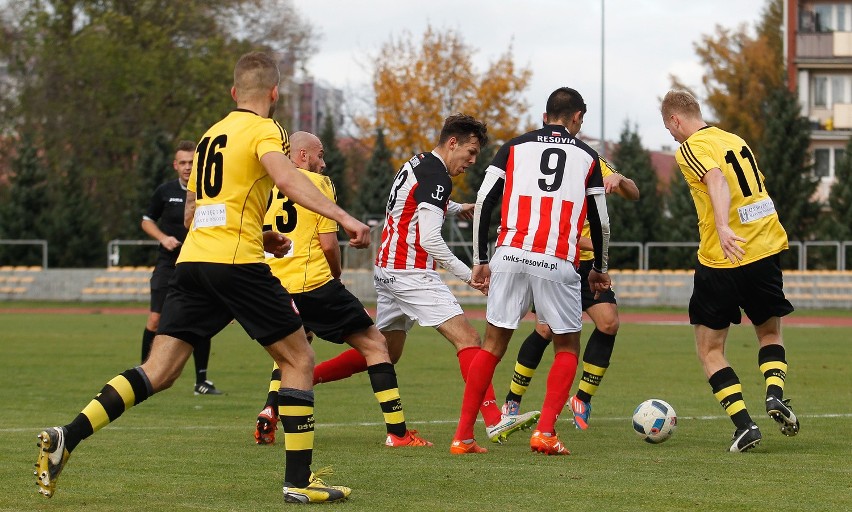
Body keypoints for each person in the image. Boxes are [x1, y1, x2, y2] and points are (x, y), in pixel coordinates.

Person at [34, 51, 371, 503]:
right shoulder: (267, 130)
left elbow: (194, 213)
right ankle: (299, 482)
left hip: (193, 263)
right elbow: (289, 179)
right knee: (299, 361)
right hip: (235, 263)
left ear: (234, 93)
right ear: (274, 93)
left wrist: (264, 231)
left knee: (159, 370)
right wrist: (344, 218)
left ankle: (66, 436)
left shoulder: (211, 136)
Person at [307, 114, 540, 447]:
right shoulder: (437, 176)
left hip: (388, 268)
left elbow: (413, 202)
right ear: (452, 143)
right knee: (469, 339)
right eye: (471, 152)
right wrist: (469, 274)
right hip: (410, 271)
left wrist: (457, 207)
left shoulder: (418, 163)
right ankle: (493, 419)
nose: (472, 161)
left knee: (384, 352)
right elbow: (430, 239)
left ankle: (307, 377)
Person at [452, 87, 611, 455]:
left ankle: (463, 437)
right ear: (576, 119)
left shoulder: (512, 147)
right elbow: (600, 223)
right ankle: (545, 432)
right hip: (556, 258)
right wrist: (599, 269)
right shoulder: (588, 156)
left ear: (545, 116)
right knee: (567, 345)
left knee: (492, 346)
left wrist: (480, 259)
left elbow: (484, 201)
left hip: (509, 253)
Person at [253, 131, 431, 448]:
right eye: (320, 155)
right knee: (376, 345)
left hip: (276, 286)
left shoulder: (267, 188)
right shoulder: (319, 185)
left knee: (292, 352)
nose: (324, 162)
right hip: (314, 282)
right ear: (303, 156)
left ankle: (271, 408)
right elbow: (328, 244)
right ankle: (399, 433)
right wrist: (336, 276)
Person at [660, 90, 799, 453]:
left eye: (670, 129)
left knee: (709, 349)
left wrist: (723, 227)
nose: (673, 137)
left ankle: (744, 425)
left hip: (724, 258)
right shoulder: (735, 140)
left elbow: (717, 179)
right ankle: (774, 394)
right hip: (766, 249)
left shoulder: (690, 147)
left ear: (676, 120)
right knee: (769, 332)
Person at [501, 155, 638, 429]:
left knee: (609, 323)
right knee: (545, 330)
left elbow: (634, 194)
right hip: (559, 258)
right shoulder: (547, 168)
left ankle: (582, 398)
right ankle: (512, 401)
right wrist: (599, 242)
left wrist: (619, 179)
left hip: (587, 263)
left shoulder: (592, 160)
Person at [140, 140, 222, 395]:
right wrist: (163, 238)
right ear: (176, 165)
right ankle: (144, 374)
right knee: (155, 319)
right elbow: (146, 221)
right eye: (183, 162)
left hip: (198, 262)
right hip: (168, 263)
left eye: (192, 162)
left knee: (201, 320)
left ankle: (201, 381)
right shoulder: (165, 191)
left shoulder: (209, 192)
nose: (188, 167)